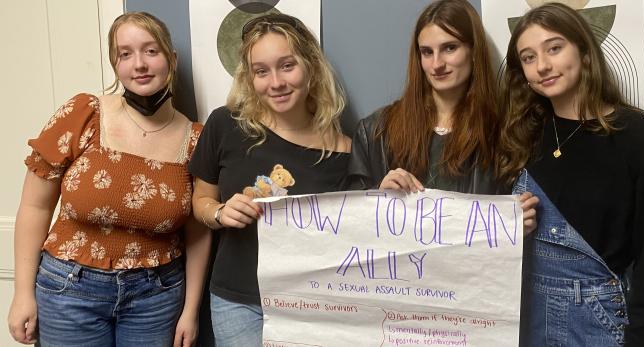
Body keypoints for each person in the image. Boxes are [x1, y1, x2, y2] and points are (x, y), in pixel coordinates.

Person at [7, 12, 210, 347]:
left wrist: (191, 310)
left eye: (151, 51)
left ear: (171, 59)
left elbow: (198, 234)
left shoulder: (195, 139)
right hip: (68, 290)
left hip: (156, 297)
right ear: (115, 64)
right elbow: (34, 207)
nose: (139, 64)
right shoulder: (84, 114)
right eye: (125, 54)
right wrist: (21, 294)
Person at [498, 3, 644, 346]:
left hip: (598, 323)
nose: (543, 66)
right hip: (521, 319)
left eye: (554, 48)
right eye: (528, 57)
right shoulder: (519, 135)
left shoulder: (643, 138)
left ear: (584, 52)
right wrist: (508, 226)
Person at [188, 13, 350, 346]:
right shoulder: (225, 125)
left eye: (287, 66)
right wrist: (219, 213)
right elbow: (199, 202)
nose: (275, 83)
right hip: (237, 301)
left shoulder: (343, 150)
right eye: (261, 71)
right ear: (250, 77)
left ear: (311, 67)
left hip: (309, 304)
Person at [346, 0, 538, 230]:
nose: (436, 64)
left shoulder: (507, 132)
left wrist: (519, 226)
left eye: (450, 48)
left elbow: (516, 219)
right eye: (427, 52)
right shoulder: (374, 132)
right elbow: (350, 229)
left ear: (474, 50)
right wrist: (379, 198)